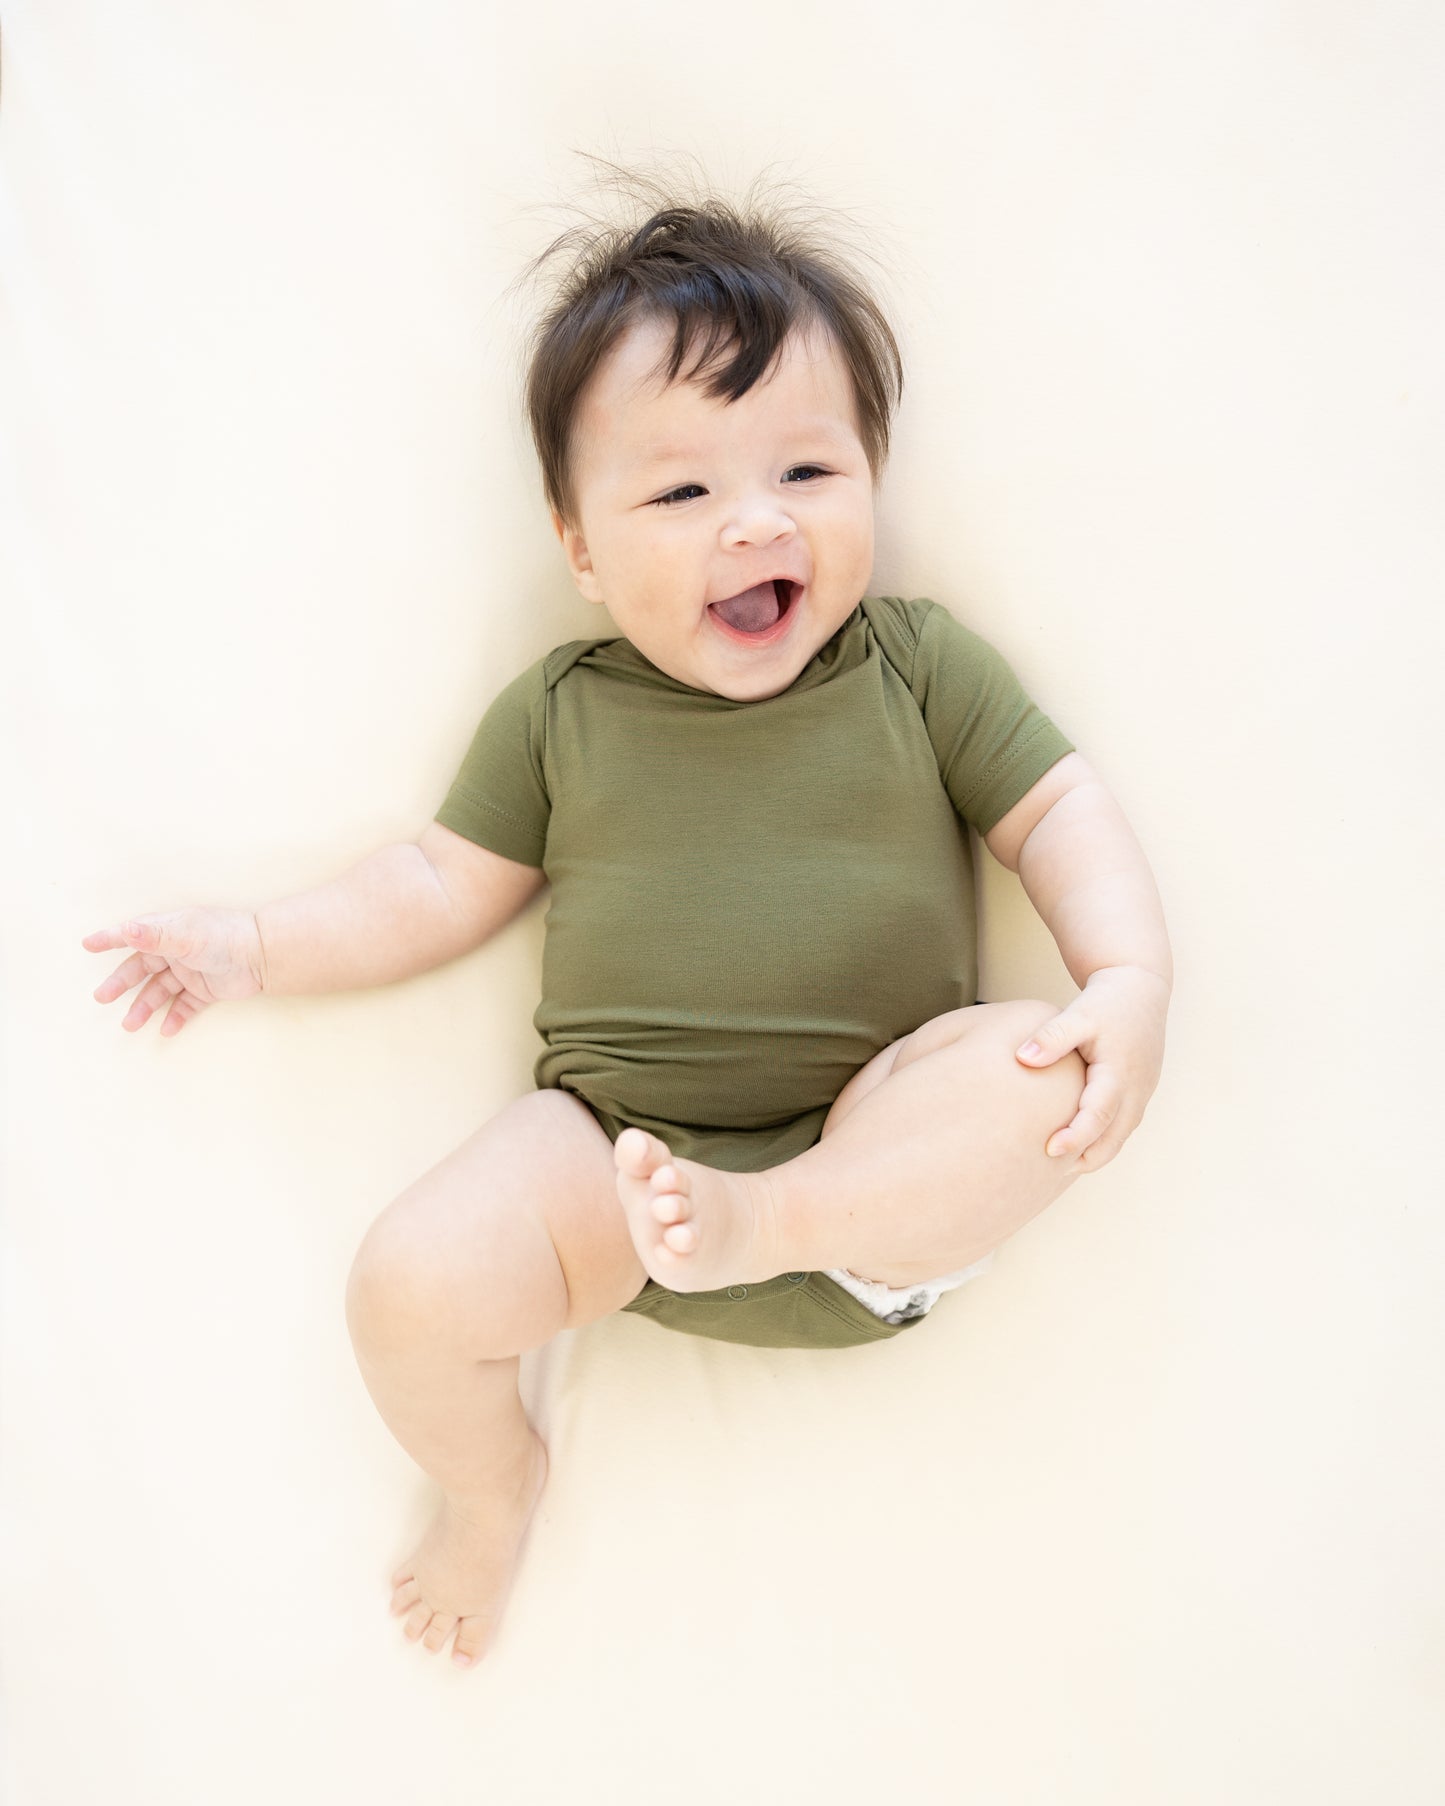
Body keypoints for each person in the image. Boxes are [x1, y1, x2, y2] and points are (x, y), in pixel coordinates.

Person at [82, 181, 1171, 1672]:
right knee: (404, 1283)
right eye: (680, 493)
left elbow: (1054, 810)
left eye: (807, 464)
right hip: (620, 1178)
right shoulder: (561, 711)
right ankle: (492, 1482)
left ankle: (766, 1219)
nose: (758, 519)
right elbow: (430, 885)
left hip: (878, 1173)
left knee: (1036, 1073)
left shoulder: (913, 668)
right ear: (579, 545)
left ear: (870, 475)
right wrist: (253, 947)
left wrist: (1126, 974)